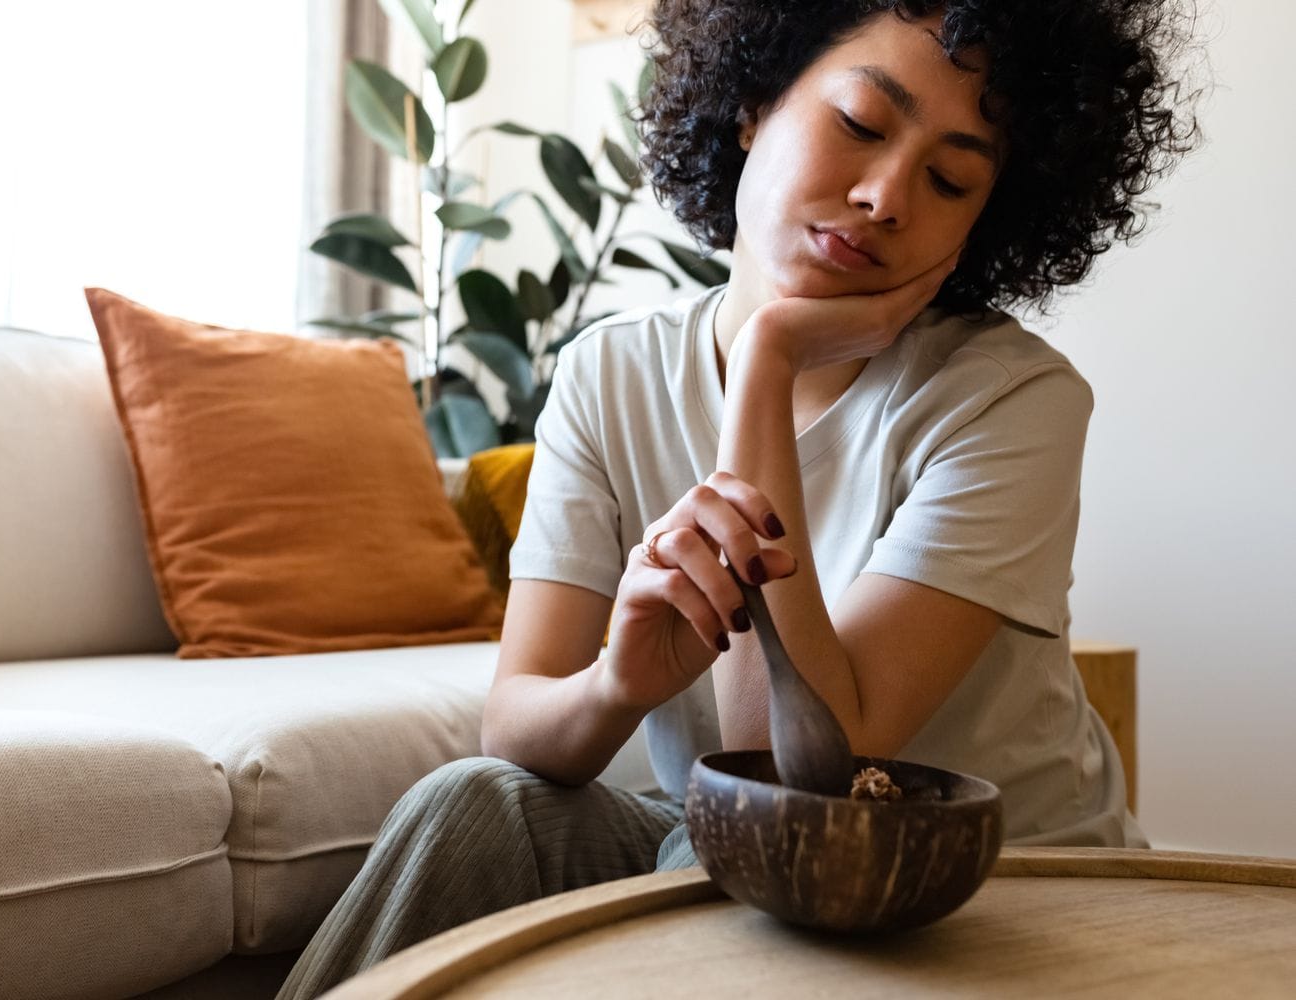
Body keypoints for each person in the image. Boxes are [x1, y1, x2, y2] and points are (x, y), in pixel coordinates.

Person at [278, 0, 1197, 995]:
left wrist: (766, 357)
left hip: (1006, 881)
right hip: (736, 854)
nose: (887, 196)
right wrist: (618, 683)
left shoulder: (1011, 400)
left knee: (719, 859)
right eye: (861, 123)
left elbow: (796, 775)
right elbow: (516, 724)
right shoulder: (609, 375)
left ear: (988, 220)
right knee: (474, 804)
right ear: (754, 103)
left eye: (950, 180)